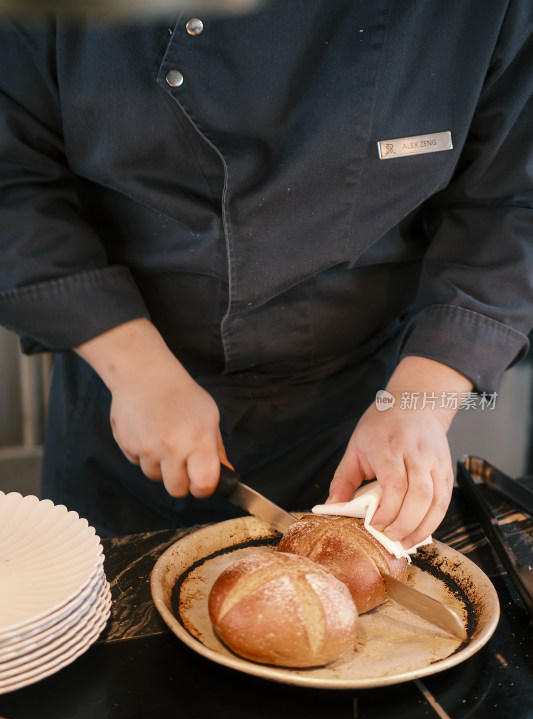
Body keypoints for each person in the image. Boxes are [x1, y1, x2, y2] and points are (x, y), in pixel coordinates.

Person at [0, 0, 532, 542]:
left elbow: (512, 202)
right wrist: (137, 370)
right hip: (122, 397)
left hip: (362, 415)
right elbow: (13, 176)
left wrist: (422, 401)